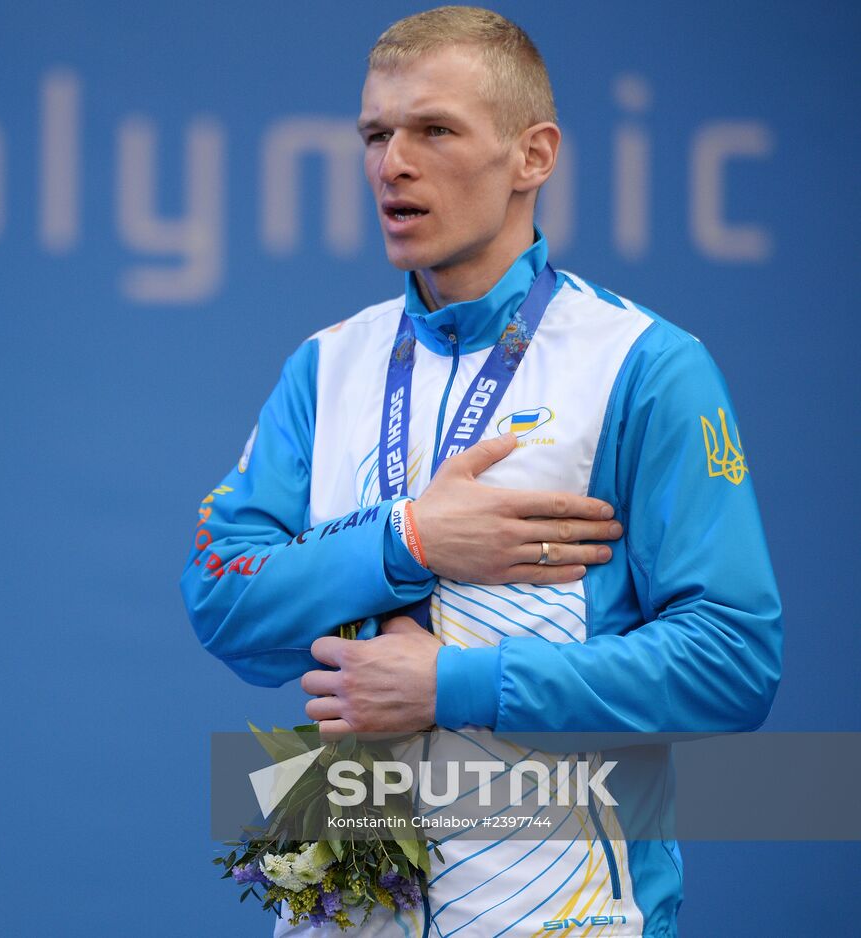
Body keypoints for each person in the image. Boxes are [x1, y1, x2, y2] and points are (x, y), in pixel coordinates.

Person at [179, 6, 782, 936]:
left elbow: (733, 661)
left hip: (571, 918)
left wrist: (455, 682)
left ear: (533, 156)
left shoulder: (646, 366)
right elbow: (221, 598)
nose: (393, 165)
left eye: (434, 130)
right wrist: (406, 539)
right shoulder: (325, 365)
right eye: (375, 135)